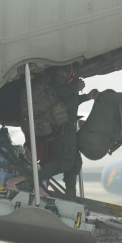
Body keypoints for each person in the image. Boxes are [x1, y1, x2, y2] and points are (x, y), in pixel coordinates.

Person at [35, 64, 100, 200]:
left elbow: (68, 100)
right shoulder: (64, 70)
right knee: (64, 163)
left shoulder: (71, 73)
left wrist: (87, 97)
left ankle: (70, 196)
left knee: (75, 163)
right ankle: (32, 182)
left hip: (68, 126)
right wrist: (74, 88)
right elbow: (56, 90)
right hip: (63, 127)